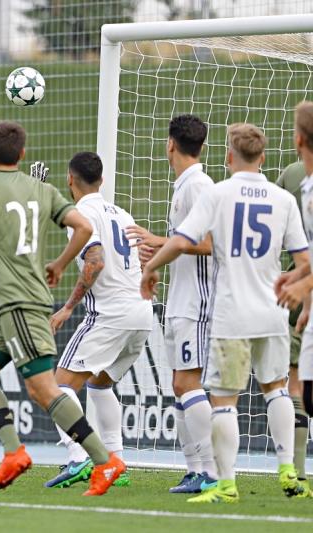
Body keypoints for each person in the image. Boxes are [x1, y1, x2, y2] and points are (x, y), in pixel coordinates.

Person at [0, 120, 125, 495]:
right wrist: (59, 263)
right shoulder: (42, 189)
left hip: (21, 303)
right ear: (23, 155)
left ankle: (105, 461)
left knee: (43, 388)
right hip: (14, 306)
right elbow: (83, 228)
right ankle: (14, 453)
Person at [142, 122, 309, 503]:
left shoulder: (218, 193)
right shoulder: (281, 199)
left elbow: (184, 240)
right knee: (277, 390)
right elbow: (305, 259)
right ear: (263, 157)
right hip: (272, 309)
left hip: (232, 312)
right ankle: (288, 471)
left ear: (229, 155)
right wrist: (305, 300)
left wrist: (151, 268)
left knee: (224, 400)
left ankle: (226, 484)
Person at [44, 152, 152, 490]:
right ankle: (116, 462)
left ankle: (78, 457)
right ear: (101, 180)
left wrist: (66, 308)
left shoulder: (81, 215)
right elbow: (144, 256)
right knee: (100, 384)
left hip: (110, 313)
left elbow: (95, 260)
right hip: (141, 311)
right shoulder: (121, 213)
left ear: (70, 180)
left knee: (56, 386)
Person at [125, 115, 218, 494]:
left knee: (186, 383)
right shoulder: (185, 185)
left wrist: (158, 242)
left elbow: (211, 244)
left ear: (170, 145)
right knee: (180, 386)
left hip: (196, 303)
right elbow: (184, 241)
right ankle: (195, 469)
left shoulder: (198, 185)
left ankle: (211, 471)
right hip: (180, 301)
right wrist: (159, 246)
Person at [274, 159, 312, 498]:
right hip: (303, 291)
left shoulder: (293, 174)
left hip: (299, 288)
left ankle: (297, 470)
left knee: (296, 382)